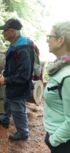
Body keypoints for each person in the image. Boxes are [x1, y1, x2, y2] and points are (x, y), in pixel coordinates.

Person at [0, 18, 35, 141]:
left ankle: (23, 132)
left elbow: (24, 75)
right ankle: (6, 118)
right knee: (7, 99)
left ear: (12, 32)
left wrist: (6, 80)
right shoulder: (15, 44)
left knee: (18, 108)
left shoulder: (23, 49)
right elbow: (12, 65)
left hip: (20, 87)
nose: (3, 34)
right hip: (12, 83)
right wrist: (4, 73)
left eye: (5, 31)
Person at [43, 21, 70, 153]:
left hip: (63, 143)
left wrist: (54, 140)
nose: (47, 40)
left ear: (60, 40)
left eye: (50, 36)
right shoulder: (60, 67)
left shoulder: (68, 75)